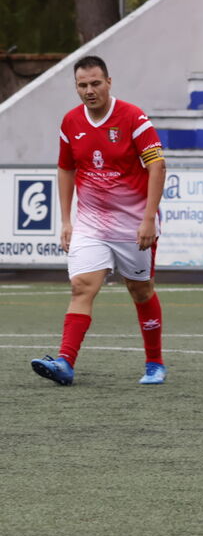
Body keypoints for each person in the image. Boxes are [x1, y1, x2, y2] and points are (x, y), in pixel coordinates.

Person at [31, 55, 167, 386]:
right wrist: (66, 221)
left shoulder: (133, 117)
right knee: (82, 287)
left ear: (108, 82)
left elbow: (157, 166)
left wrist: (149, 218)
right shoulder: (70, 122)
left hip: (133, 224)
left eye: (95, 83)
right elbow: (66, 168)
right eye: (82, 85)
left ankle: (154, 363)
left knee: (140, 290)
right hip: (91, 224)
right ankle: (65, 362)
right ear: (76, 87)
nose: (89, 91)